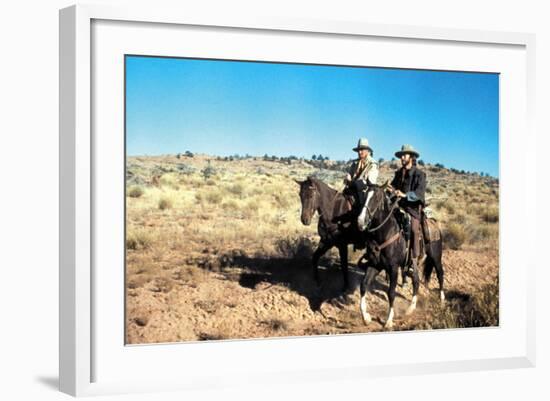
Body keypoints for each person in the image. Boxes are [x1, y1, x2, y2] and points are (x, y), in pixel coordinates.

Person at [390, 144, 426, 276]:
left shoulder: (420, 174)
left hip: (413, 209)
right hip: (398, 206)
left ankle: (413, 261)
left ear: (411, 157)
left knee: (413, 230)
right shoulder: (399, 173)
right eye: (401, 156)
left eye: (404, 155)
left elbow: (419, 194)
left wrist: (405, 195)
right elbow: (393, 187)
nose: (402, 158)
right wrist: (391, 189)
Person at [344, 138, 379, 230]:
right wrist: (347, 177)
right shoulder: (355, 163)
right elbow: (349, 175)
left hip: (365, 192)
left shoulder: (373, 164)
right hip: (353, 189)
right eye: (359, 150)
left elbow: (370, 182)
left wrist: (355, 182)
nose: (360, 152)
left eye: (362, 150)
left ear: (367, 151)